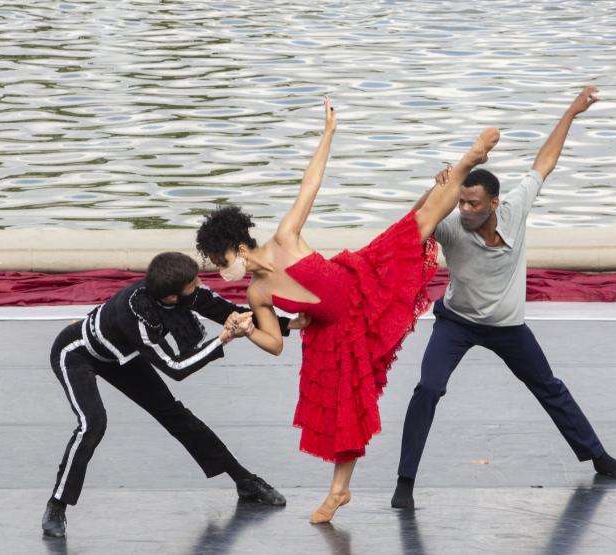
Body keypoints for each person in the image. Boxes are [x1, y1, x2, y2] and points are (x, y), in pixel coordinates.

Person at [195, 96, 500, 523]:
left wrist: (328, 134)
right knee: (346, 416)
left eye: (220, 261)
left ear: (239, 249)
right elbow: (275, 343)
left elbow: (310, 185)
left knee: (421, 222)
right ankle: (340, 491)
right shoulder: (256, 294)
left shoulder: (285, 237)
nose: (221, 271)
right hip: (333, 332)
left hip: (360, 282)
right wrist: (245, 332)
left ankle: (469, 159)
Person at [391, 86, 616, 510]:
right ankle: (405, 482)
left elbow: (545, 161)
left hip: (507, 327)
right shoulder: (450, 226)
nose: (464, 210)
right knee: (428, 387)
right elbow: (409, 228)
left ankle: (598, 456)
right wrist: (434, 194)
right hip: (457, 322)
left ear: (494, 203)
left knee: (548, 387)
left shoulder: (516, 209)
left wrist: (572, 112)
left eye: (472, 204)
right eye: (460, 202)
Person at [41, 251, 304, 537]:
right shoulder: (135, 314)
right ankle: (57, 505)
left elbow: (225, 311)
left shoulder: (183, 292)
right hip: (77, 353)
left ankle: (245, 481)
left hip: (122, 355)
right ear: (170, 297)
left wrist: (287, 324)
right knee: (93, 424)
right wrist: (223, 339)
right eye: (193, 283)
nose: (199, 283)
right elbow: (175, 367)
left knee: (176, 415)